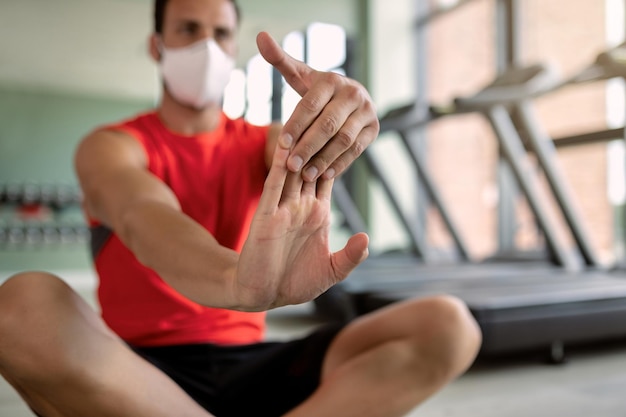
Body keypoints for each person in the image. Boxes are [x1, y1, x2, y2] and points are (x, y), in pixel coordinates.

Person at [0, 0, 482, 416]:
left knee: (448, 325)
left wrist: (338, 120)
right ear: (156, 45)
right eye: (188, 29)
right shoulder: (112, 146)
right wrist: (233, 281)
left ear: (233, 47)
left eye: (220, 33)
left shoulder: (262, 143)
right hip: (137, 373)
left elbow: (295, 153)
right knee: (21, 305)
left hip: (254, 363)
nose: (206, 45)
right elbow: (143, 216)